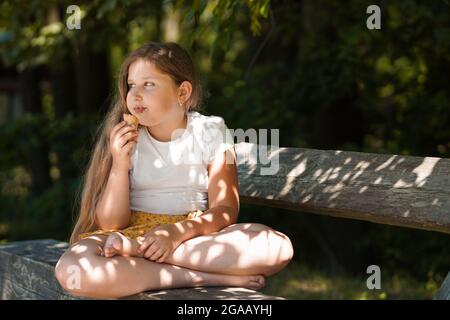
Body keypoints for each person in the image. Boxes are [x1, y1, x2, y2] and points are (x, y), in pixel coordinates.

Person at [55, 41, 294, 299]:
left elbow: (226, 210)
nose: (134, 94)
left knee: (277, 246)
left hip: (192, 237)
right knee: (72, 270)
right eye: (131, 85)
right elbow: (112, 224)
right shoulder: (126, 138)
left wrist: (175, 234)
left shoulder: (211, 130)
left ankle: (143, 253)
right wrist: (119, 164)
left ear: (182, 92)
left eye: (148, 84)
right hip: (129, 233)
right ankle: (205, 277)